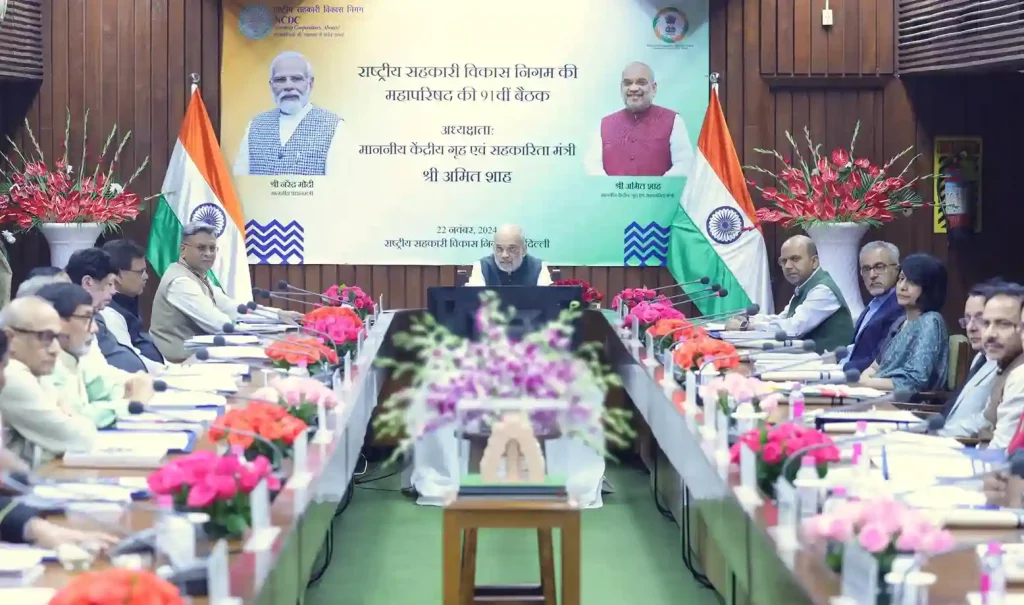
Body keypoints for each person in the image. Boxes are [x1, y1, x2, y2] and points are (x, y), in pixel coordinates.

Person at [0, 328, 116, 548]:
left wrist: (35, 527)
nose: (4, 380)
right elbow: (77, 435)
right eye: (3, 368)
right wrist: (37, 529)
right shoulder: (17, 380)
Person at [151, 221, 302, 362]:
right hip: (179, 362)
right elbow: (220, 325)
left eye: (212, 248)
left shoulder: (197, 275)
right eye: (201, 248)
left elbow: (231, 308)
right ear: (183, 250)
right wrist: (262, 334)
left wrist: (278, 315)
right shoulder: (180, 282)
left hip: (199, 356)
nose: (208, 253)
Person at [0, 297, 98, 465]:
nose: (55, 350)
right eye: (46, 337)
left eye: (57, 338)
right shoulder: (11, 374)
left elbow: (73, 423)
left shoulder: (33, 371)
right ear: (11, 338)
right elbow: (80, 439)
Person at [36, 282, 146, 427]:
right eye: (86, 318)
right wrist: (130, 403)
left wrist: (134, 386)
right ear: (58, 321)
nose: (94, 328)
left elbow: (103, 388)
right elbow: (74, 420)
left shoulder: (75, 355)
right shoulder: (44, 365)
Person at [726, 235, 854, 354]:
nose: (787, 266)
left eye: (795, 259)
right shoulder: (805, 286)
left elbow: (793, 329)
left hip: (830, 366)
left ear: (814, 262)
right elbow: (783, 318)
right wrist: (749, 320)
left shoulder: (823, 290)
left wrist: (748, 327)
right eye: (783, 261)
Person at [233, 51, 345, 176]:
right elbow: (239, 181)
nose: (288, 86)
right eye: (280, 80)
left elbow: (338, 187)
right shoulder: (255, 126)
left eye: (296, 79)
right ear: (271, 85)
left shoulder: (334, 126)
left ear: (310, 83)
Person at [856, 253, 949, 393]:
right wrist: (865, 379)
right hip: (877, 394)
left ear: (929, 287)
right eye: (901, 279)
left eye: (912, 282)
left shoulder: (931, 322)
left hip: (905, 405)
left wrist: (868, 383)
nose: (902, 287)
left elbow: (914, 381)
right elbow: (876, 366)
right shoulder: (900, 322)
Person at [586, 62, 694, 178]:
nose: (633, 88)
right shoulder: (604, 125)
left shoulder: (674, 121)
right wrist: (614, 190)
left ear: (653, 88)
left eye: (641, 82)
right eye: (628, 83)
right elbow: (592, 166)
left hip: (659, 195)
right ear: (621, 88)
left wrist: (655, 189)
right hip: (614, 195)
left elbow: (684, 164)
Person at [65, 248, 149, 374]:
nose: (113, 291)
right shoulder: (74, 324)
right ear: (88, 283)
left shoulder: (98, 317)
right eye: (109, 284)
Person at [941, 281, 1001, 437]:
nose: (971, 327)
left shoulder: (1007, 364)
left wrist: (937, 434)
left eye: (980, 319)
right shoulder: (980, 357)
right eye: (967, 319)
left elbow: (987, 422)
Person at [99, 239, 166, 372]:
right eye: (140, 272)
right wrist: (172, 372)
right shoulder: (108, 311)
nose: (146, 277)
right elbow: (129, 359)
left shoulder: (128, 301)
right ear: (117, 275)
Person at [841, 242, 902, 372]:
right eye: (866, 269)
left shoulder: (899, 307)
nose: (872, 275)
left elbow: (881, 359)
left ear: (896, 270)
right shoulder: (873, 304)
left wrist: (840, 368)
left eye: (879, 267)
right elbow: (857, 349)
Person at [976, 284, 1024, 449]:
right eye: (986, 323)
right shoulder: (1003, 364)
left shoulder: (1020, 376)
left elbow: (1001, 451)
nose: (990, 334)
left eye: (1003, 324)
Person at [465, 224, 554, 287]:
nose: (504, 255)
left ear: (523, 250)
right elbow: (475, 303)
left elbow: (546, 301)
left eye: (512, 249)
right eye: (499, 249)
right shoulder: (482, 266)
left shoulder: (538, 267)